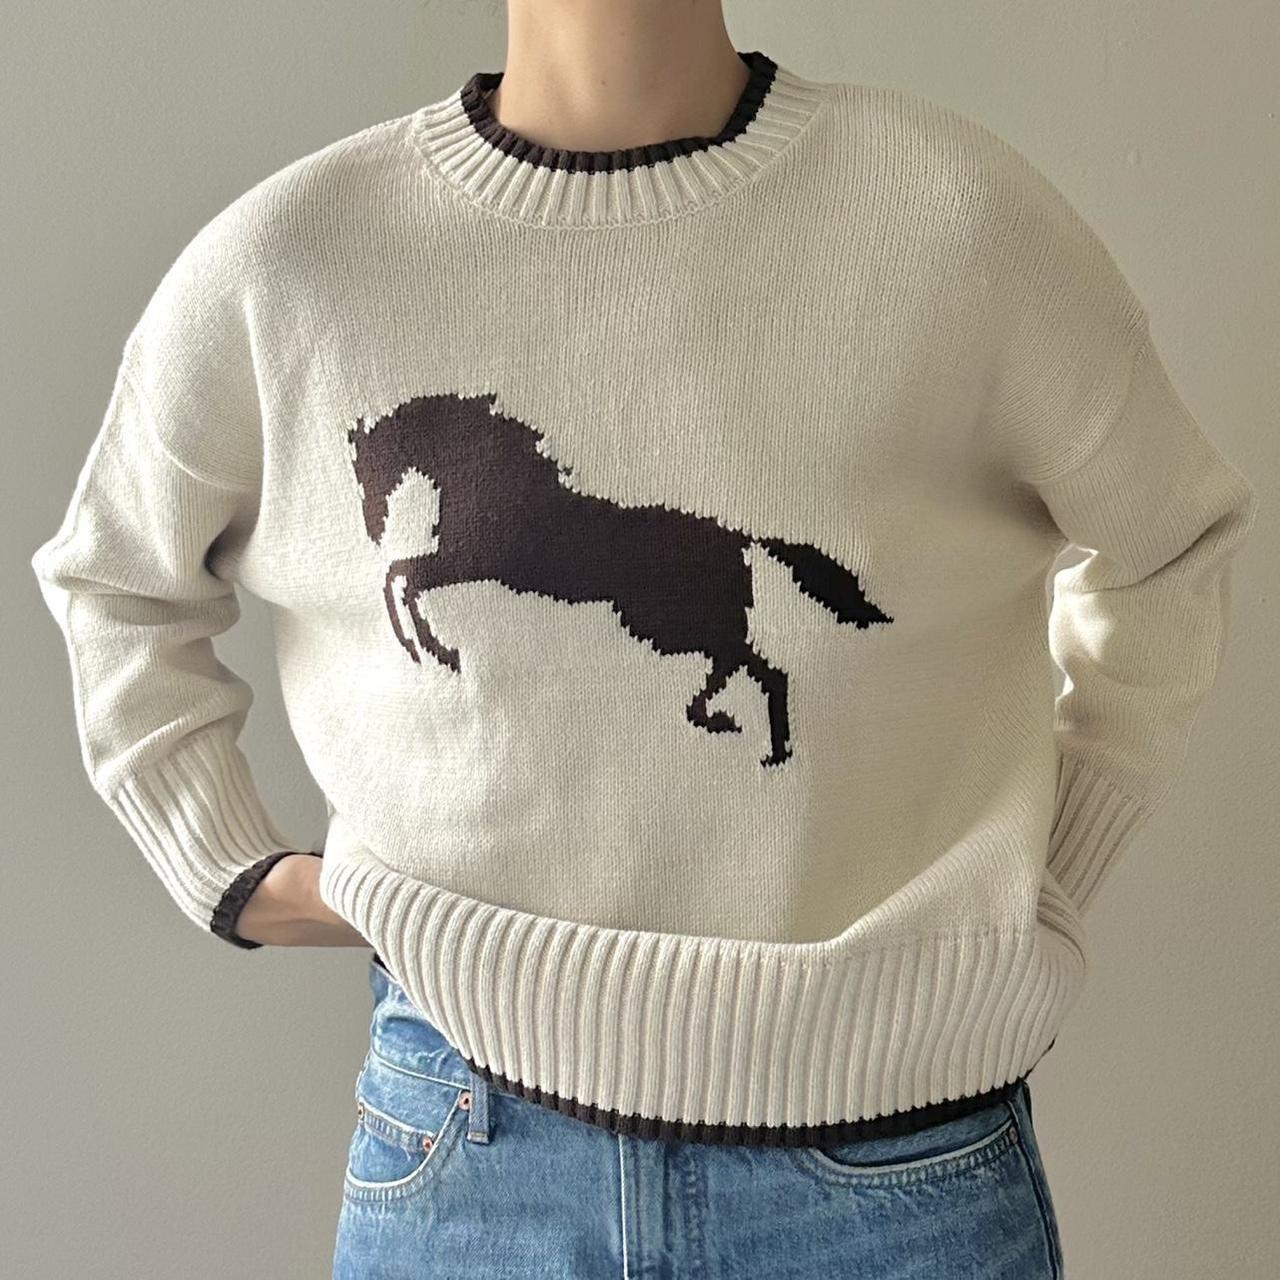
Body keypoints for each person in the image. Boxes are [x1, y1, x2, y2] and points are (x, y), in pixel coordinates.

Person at [30, 1, 1258, 1276]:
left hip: (896, 1163)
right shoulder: (283, 263)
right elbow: (116, 579)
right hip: (468, 1139)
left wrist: (1054, 856)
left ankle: (738, 693)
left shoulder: (954, 218)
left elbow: (1169, 542)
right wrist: (233, 869)